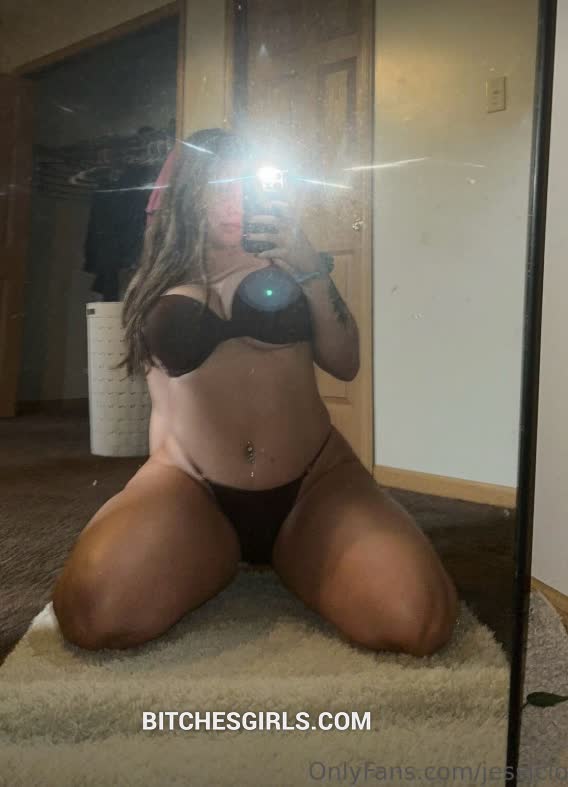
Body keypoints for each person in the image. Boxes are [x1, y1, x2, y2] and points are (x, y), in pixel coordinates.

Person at [52, 128, 459, 655]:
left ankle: (295, 551)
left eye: (248, 185)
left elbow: (346, 363)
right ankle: (215, 552)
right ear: (190, 191)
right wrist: (154, 512)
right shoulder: (155, 280)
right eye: (221, 187)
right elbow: (162, 399)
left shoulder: (290, 263)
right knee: (93, 613)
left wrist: (311, 270)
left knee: (416, 621)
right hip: (192, 486)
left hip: (314, 482)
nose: (237, 203)